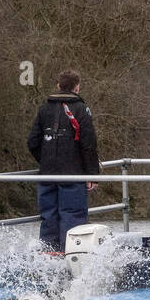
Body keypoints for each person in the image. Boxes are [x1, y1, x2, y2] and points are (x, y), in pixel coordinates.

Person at [27, 70, 100, 252]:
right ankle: (71, 257)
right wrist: (92, 174)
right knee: (72, 217)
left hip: (47, 175)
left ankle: (48, 261)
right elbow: (88, 144)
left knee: (48, 217)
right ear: (77, 87)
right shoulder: (81, 109)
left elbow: (33, 142)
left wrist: (46, 161)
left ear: (58, 86)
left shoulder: (44, 109)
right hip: (73, 175)